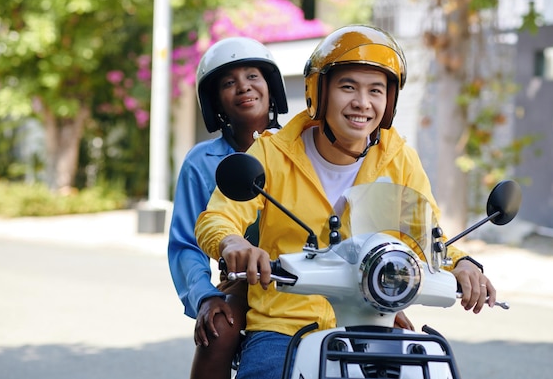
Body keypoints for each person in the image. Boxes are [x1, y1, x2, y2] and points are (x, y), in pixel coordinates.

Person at [196, 25, 496, 379]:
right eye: (348, 86)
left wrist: (462, 265)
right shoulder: (272, 152)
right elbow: (218, 217)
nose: (362, 102)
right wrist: (234, 243)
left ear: (389, 101)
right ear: (319, 93)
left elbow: (427, 238)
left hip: (373, 320)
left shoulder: (400, 158)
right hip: (283, 325)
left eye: (376, 90)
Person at [167, 36, 289, 379]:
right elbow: (185, 245)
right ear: (215, 100)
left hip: (313, 280)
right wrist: (205, 296)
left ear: (271, 87)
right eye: (228, 83)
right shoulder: (200, 161)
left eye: (253, 76)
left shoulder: (301, 146)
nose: (243, 88)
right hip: (246, 283)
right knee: (218, 330)